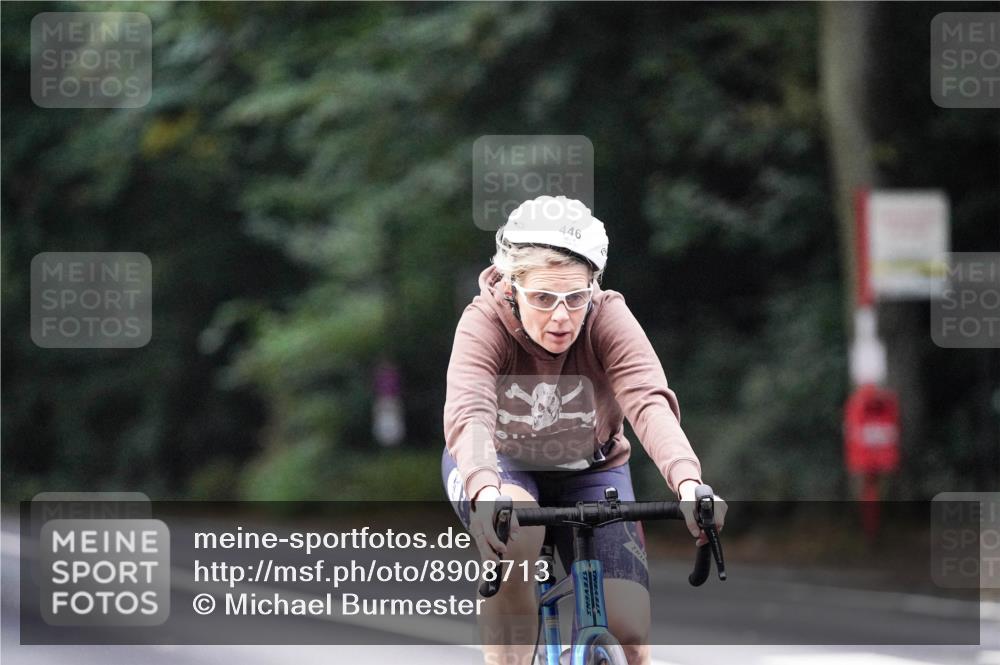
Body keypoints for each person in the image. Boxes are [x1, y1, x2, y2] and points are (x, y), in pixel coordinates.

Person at [442, 195, 726, 665]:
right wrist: (483, 488)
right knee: (514, 530)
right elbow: (470, 414)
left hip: (590, 468)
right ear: (512, 286)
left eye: (575, 297)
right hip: (500, 465)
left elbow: (648, 400)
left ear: (593, 285)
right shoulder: (483, 322)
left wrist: (689, 482)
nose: (561, 316)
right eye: (543, 298)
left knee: (630, 633)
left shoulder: (606, 314)